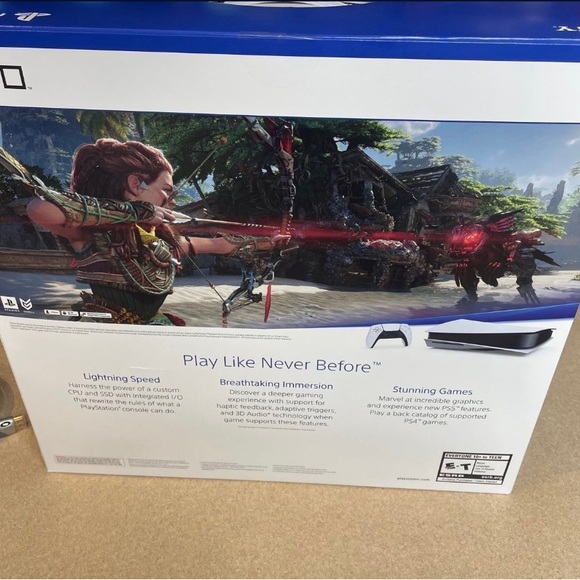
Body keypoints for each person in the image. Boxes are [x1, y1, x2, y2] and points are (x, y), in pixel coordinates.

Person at [27, 138, 288, 325]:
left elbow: (219, 244)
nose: (171, 201)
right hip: (106, 328)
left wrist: (270, 242)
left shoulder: (162, 241)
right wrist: (135, 212)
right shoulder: (91, 235)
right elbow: (39, 209)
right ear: (135, 184)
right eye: (165, 191)